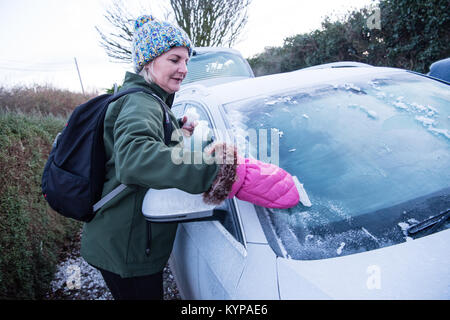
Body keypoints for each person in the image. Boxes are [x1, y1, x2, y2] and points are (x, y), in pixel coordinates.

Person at [81, 14, 300, 300]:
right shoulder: (140, 103)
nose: (184, 69)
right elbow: (134, 158)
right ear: (148, 62)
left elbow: (143, 143)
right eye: (174, 60)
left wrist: (176, 130)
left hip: (125, 238)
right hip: (126, 249)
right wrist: (219, 171)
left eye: (186, 61)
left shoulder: (150, 100)